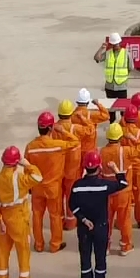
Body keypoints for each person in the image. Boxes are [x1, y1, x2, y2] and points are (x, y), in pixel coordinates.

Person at [69, 151, 130, 278]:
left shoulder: (77, 186)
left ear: (85, 167)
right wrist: (115, 169)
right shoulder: (104, 185)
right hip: (101, 227)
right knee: (100, 256)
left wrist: (83, 219)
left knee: (85, 256)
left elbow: (72, 206)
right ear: (99, 167)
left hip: (84, 228)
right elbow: (123, 183)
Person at [0, 146, 43, 278]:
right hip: (18, 218)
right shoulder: (19, 179)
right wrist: (27, 164)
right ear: (16, 162)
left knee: (2, 252)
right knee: (23, 251)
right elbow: (38, 177)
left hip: (2, 220)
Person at [25, 111, 79, 253]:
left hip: (37, 187)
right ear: (51, 128)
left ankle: (38, 244)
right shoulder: (57, 145)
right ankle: (55, 244)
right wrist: (62, 131)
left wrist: (29, 186)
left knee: (37, 215)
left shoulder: (30, 147)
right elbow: (75, 142)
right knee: (55, 215)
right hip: (53, 187)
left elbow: (27, 168)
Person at [55, 99, 94, 231]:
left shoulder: (54, 129)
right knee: (71, 196)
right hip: (72, 169)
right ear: (71, 113)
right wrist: (83, 118)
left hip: (57, 169)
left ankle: (59, 221)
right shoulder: (75, 129)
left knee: (58, 196)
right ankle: (71, 222)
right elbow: (90, 130)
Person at [99, 123, 135, 255]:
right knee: (124, 220)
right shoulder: (126, 151)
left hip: (107, 192)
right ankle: (125, 246)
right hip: (123, 192)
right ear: (120, 137)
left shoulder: (102, 152)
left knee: (106, 221)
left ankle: (106, 246)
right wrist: (131, 138)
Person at [94, 34, 131, 122]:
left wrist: (123, 76)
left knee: (123, 109)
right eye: (114, 44)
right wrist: (102, 48)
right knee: (111, 109)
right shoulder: (108, 53)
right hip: (110, 86)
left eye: (117, 44)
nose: (116, 46)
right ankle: (112, 126)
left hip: (122, 86)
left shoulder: (126, 54)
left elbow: (130, 67)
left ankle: (124, 126)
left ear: (120, 43)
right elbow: (96, 58)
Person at [72, 89, 111, 157]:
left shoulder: (72, 115)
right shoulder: (91, 115)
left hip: (76, 150)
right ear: (87, 102)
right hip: (89, 149)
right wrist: (98, 104)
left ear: (77, 102)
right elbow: (106, 115)